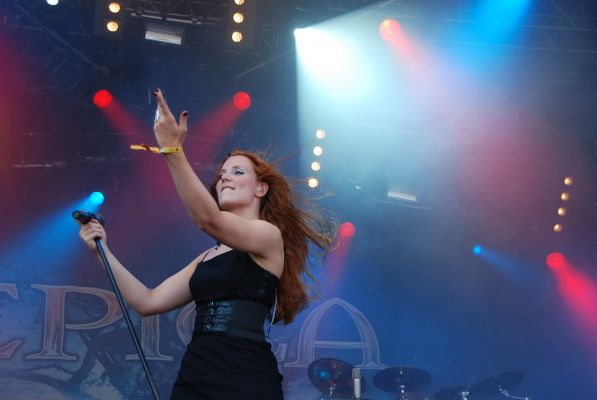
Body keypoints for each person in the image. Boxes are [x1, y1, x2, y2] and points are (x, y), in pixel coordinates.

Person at [78, 88, 335, 399]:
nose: (224, 178)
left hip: (245, 377)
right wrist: (101, 251)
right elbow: (148, 301)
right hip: (195, 377)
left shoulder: (268, 235)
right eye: (221, 173)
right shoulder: (207, 257)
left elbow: (208, 220)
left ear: (261, 189)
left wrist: (173, 150)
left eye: (237, 172)